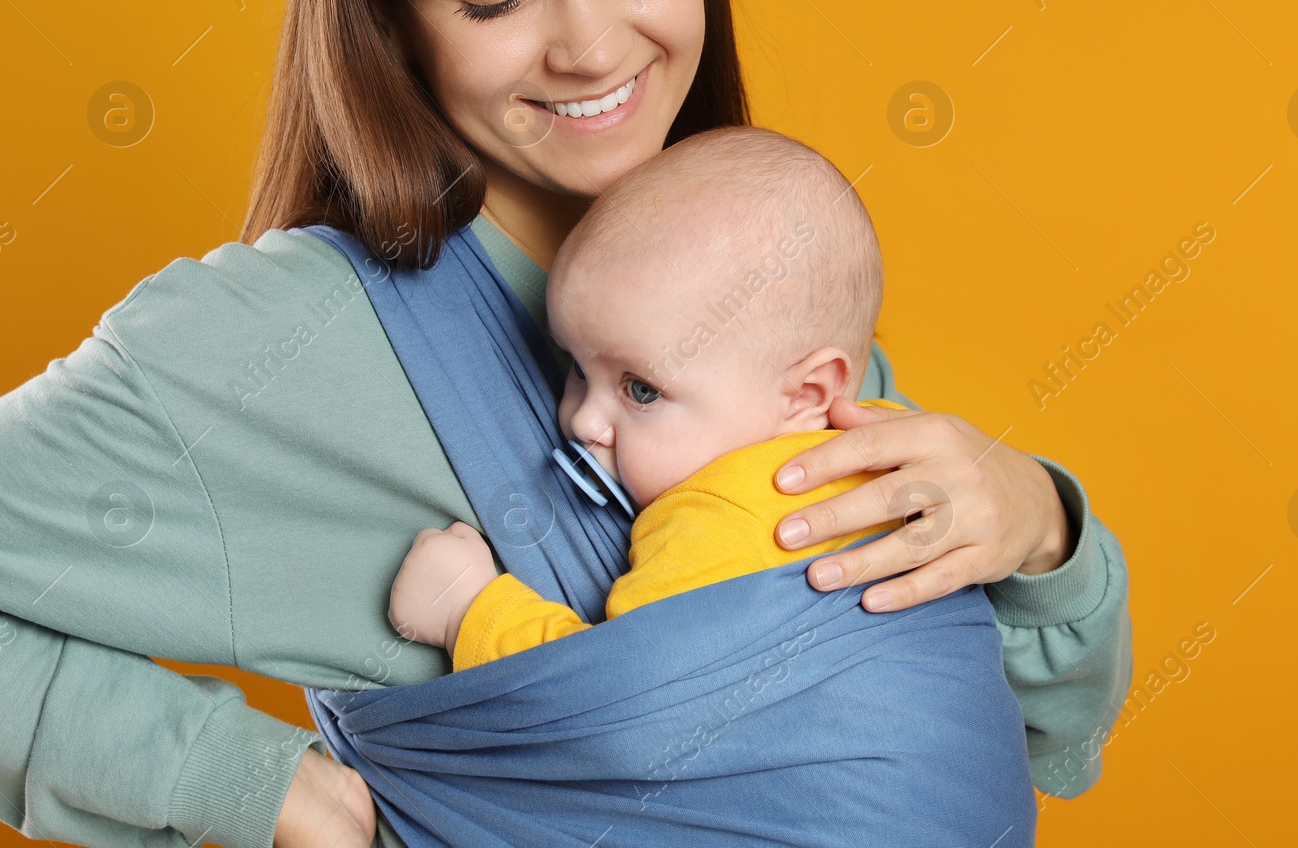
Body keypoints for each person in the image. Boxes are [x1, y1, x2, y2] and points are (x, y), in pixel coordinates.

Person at [0, 0, 1130, 847]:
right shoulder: (280, 339)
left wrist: (1042, 533)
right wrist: (252, 784)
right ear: (389, 16)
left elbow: (1002, 735)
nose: (595, 44)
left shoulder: (753, 265)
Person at [389, 128, 913, 667]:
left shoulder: (715, 520)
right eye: (575, 366)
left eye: (641, 389)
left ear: (807, 395)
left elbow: (609, 696)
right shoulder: (911, 459)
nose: (584, 420)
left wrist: (467, 612)